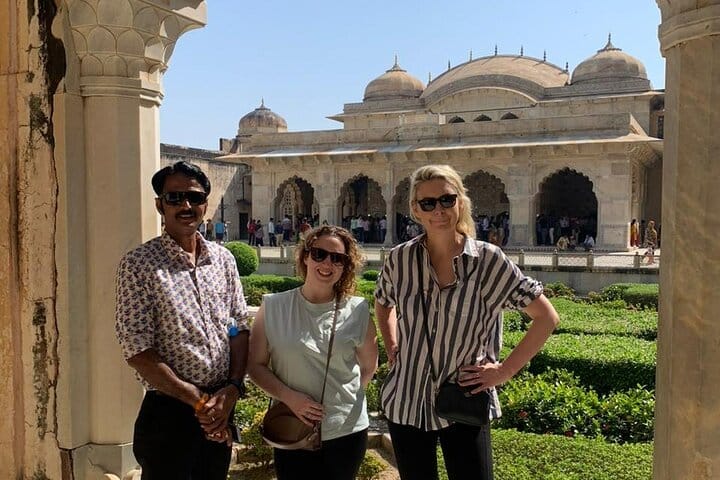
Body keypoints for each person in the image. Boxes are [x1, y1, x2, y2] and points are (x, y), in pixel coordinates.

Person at [375, 164, 559, 480]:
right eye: (428, 203)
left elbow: (546, 318)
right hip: (407, 398)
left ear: (460, 202)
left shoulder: (488, 261)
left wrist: (504, 371)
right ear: (415, 210)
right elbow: (382, 302)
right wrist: (392, 346)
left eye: (446, 199)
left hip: (464, 399)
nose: (438, 210)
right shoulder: (400, 259)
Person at [115, 161, 250, 480]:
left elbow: (238, 327)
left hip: (220, 406)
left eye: (194, 197)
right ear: (159, 205)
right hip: (169, 414)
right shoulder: (139, 265)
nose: (185, 205)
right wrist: (198, 402)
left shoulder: (223, 260)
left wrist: (232, 388)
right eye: (174, 198)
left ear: (205, 203)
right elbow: (137, 350)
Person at [248, 225, 378, 480]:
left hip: (346, 431)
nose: (327, 263)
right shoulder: (273, 306)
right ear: (305, 256)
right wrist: (289, 397)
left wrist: (339, 403)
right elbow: (255, 365)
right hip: (291, 426)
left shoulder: (358, 310)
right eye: (320, 254)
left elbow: (368, 367)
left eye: (337, 258)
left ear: (345, 266)